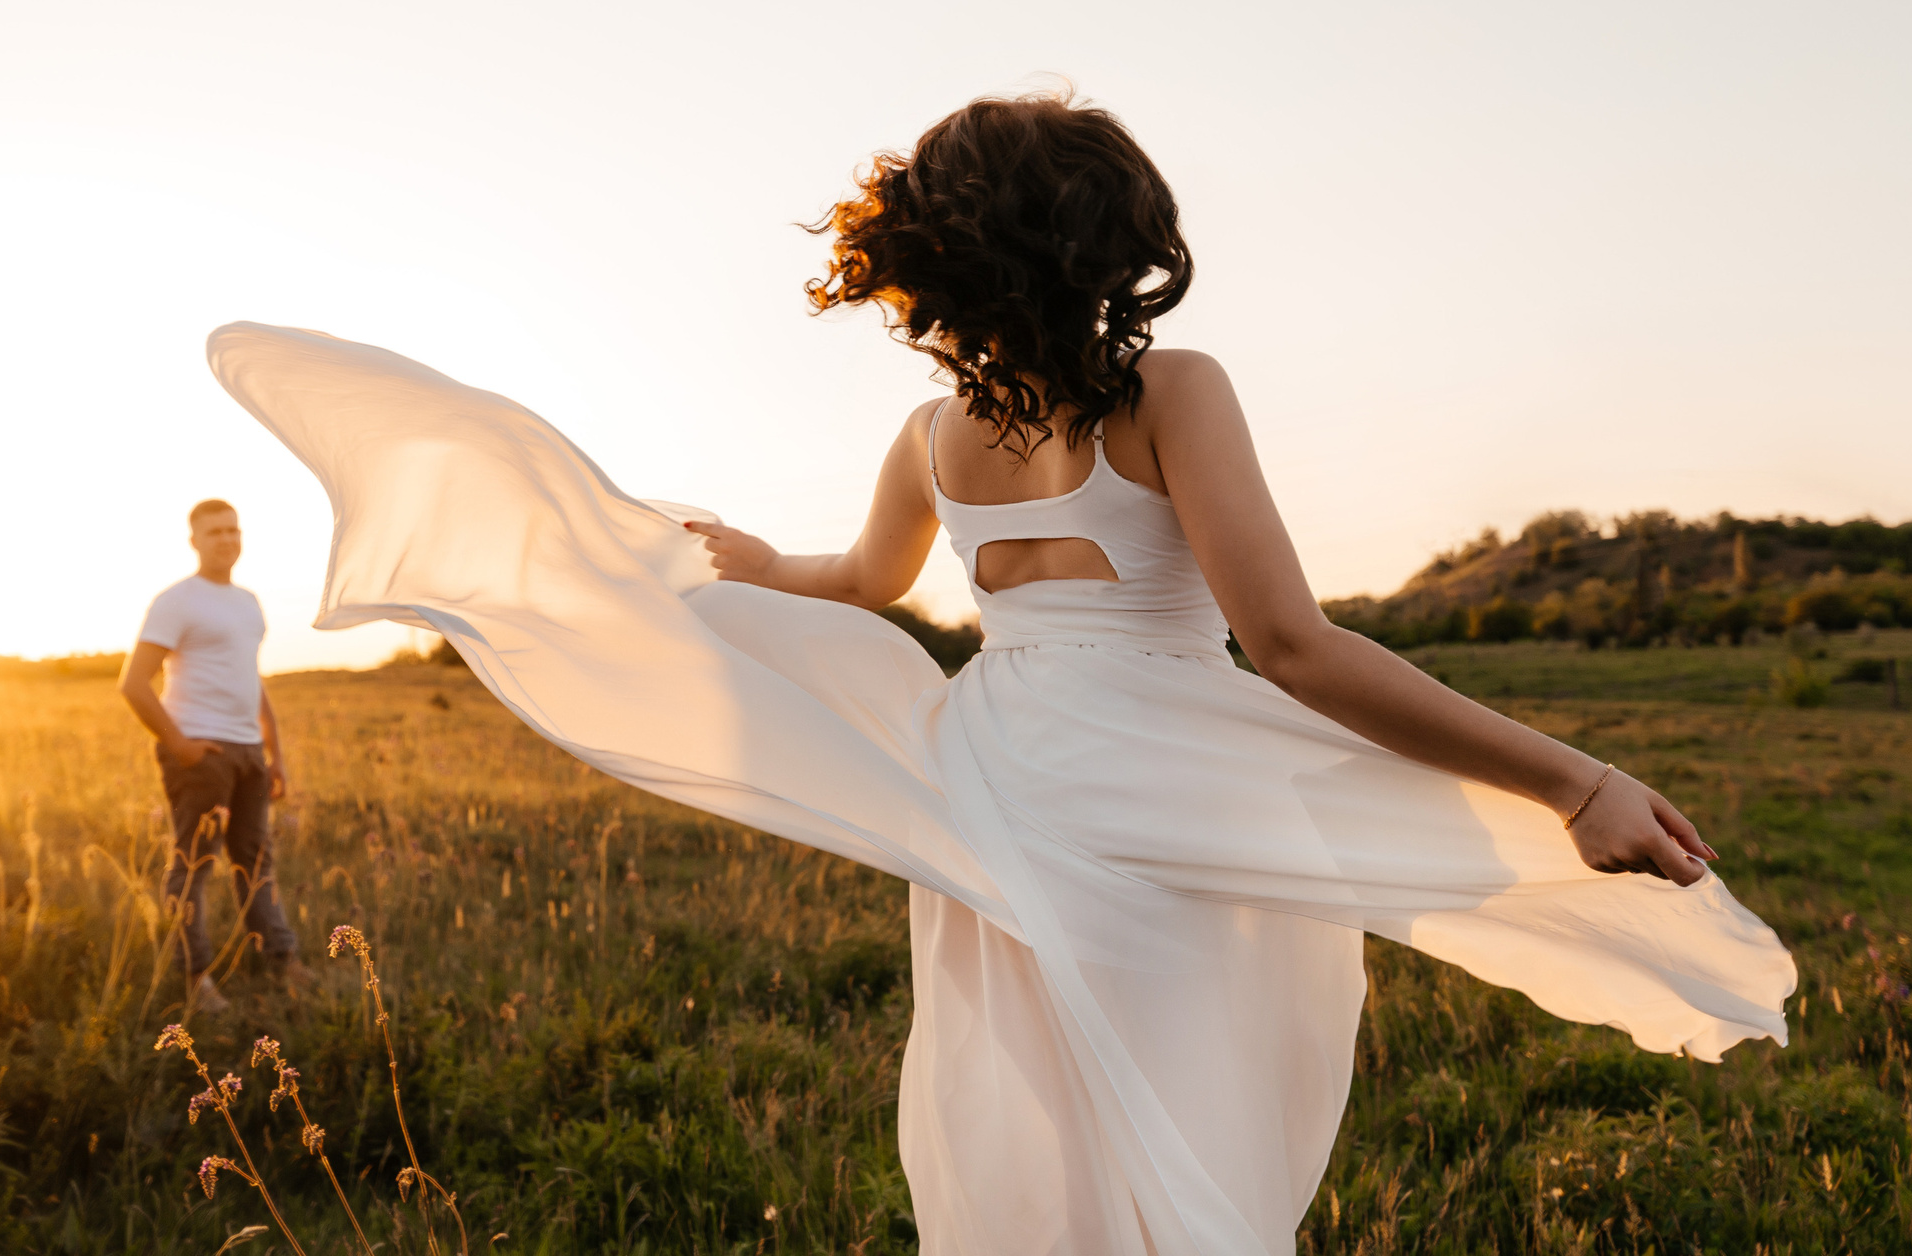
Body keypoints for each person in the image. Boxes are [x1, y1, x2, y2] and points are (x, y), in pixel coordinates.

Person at [205, 94, 1794, 1255]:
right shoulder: (1168, 390)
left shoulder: (933, 433)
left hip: (1006, 783)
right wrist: (1571, 779)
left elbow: (865, 584)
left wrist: (752, 566)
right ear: (1110, 239)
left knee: (1050, 1129)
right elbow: (1293, 646)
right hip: (1167, 777)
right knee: (1194, 1123)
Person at [117, 497, 302, 1014]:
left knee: (256, 859)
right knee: (193, 866)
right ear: (194, 540)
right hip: (202, 752)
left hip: (249, 752)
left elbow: (251, 677)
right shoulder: (176, 600)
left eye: (233, 530)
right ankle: (196, 978)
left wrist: (275, 750)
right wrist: (180, 746)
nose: (227, 539)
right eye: (215, 531)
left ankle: (281, 959)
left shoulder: (248, 602)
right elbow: (133, 684)